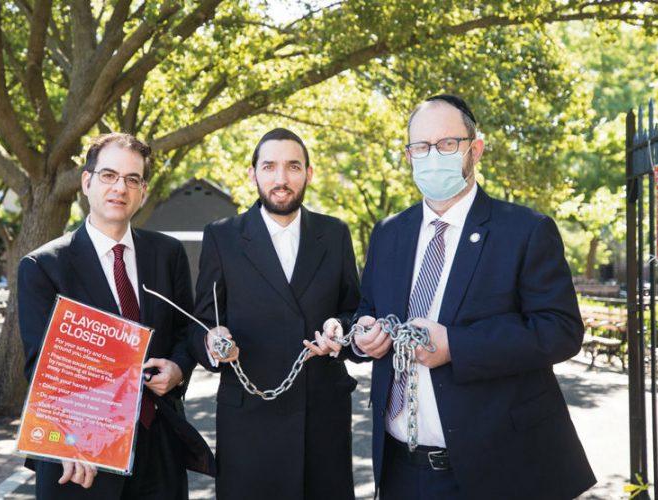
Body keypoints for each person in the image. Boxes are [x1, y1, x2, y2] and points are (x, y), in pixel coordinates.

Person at [351, 95, 596, 499]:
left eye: (447, 144)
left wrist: (456, 346)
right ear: (408, 155)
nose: (433, 156)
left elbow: (561, 331)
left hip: (497, 470)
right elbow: (368, 311)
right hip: (399, 469)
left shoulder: (525, 230)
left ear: (474, 149)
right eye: (420, 147)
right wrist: (366, 335)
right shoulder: (388, 233)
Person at [17, 133, 213, 499]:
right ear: (87, 182)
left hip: (160, 446)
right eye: (109, 176)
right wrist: (69, 439)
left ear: (142, 190)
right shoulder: (43, 267)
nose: (120, 188)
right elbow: (38, 367)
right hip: (82, 456)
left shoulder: (167, 255)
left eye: (132, 179)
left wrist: (179, 369)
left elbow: (187, 331)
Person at [189, 128, 361, 499]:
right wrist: (213, 341)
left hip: (323, 419)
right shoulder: (222, 237)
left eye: (292, 167)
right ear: (252, 174)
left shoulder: (334, 234)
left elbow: (354, 311)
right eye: (269, 166)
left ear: (308, 173)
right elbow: (202, 322)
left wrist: (340, 331)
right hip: (249, 421)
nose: (281, 179)